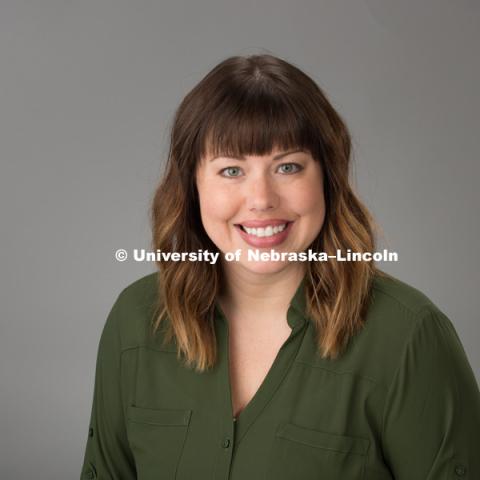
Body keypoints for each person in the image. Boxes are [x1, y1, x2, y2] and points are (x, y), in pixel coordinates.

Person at [80, 54, 480, 480]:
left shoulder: (408, 336)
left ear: (327, 176)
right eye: (231, 170)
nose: (261, 199)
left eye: (287, 166)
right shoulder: (136, 319)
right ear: (191, 187)